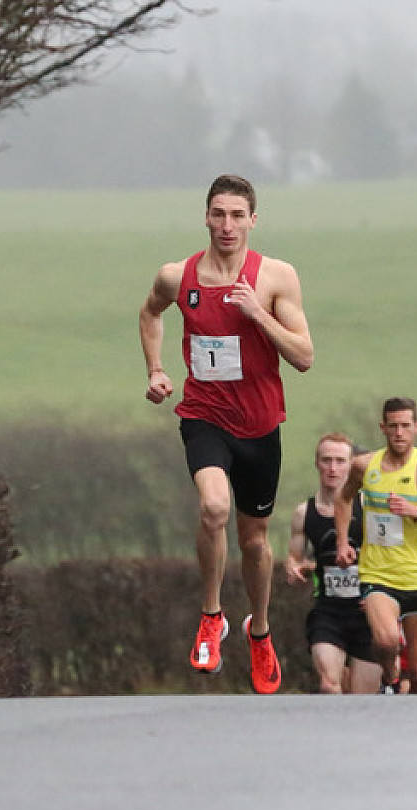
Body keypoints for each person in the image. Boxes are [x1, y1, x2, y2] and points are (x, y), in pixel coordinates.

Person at [139, 174, 313, 694]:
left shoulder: (276, 276)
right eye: (218, 213)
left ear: (253, 220)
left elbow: (304, 357)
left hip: (259, 425)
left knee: (254, 542)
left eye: (238, 215)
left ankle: (259, 631)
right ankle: (211, 616)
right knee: (213, 508)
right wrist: (155, 369)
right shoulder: (177, 276)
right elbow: (149, 312)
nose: (227, 225)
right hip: (204, 415)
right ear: (206, 217)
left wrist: (257, 313)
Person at [334, 397, 417, 694]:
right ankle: (390, 676)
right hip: (378, 573)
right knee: (386, 640)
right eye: (393, 426)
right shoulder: (364, 465)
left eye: (405, 426)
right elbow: (343, 499)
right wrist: (342, 542)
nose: (399, 433)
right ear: (383, 428)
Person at [284, 433, 382, 694]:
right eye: (326, 460)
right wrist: (293, 567)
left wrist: (380, 593)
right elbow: (294, 556)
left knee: (363, 698)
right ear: (317, 463)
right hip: (328, 612)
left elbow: (391, 555)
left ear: (352, 464)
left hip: (367, 613)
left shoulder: (369, 507)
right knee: (329, 685)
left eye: (340, 461)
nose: (333, 468)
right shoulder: (304, 513)